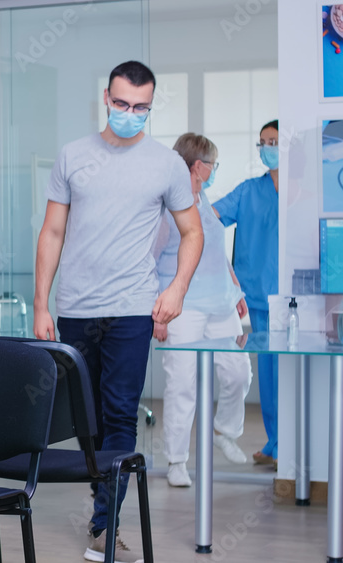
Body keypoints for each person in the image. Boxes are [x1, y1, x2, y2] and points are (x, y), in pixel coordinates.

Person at [33, 60, 203, 563]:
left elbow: (193, 233)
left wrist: (176, 290)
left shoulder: (166, 164)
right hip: (76, 309)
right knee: (83, 419)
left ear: (151, 105)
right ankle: (100, 495)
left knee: (120, 415)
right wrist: (41, 302)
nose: (131, 114)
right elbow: (52, 233)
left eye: (142, 108)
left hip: (131, 308)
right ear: (106, 98)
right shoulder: (73, 156)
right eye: (123, 104)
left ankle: (105, 526)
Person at [154, 133, 253, 488]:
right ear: (198, 166)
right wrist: (159, 313)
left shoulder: (204, 197)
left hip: (220, 303)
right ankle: (177, 461)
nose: (214, 169)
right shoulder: (168, 207)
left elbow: (214, 251)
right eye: (212, 163)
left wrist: (235, 288)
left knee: (238, 371)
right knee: (183, 385)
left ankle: (225, 430)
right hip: (183, 309)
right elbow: (150, 261)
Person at [212, 119, 280, 467]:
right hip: (257, 293)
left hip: (294, 294)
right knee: (268, 373)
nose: (268, 148)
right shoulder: (249, 190)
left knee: (295, 373)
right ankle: (275, 445)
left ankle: (292, 444)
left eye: (274, 141)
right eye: (263, 143)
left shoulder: (304, 189)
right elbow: (210, 218)